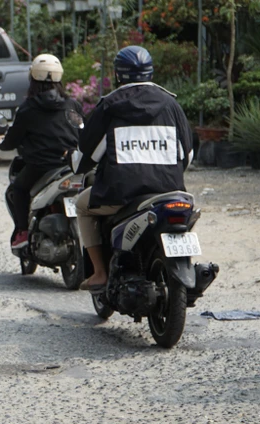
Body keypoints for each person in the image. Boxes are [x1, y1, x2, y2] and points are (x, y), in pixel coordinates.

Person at [72, 45, 193, 289]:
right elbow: (187, 156)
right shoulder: (171, 105)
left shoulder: (109, 106)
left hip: (120, 195)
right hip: (167, 191)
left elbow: (86, 158)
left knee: (81, 206)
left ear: (118, 74)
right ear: (150, 72)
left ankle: (99, 272)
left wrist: (76, 162)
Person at [0, 54, 83, 249]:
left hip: (40, 167)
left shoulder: (28, 109)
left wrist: (2, 143)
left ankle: (22, 232)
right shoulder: (72, 106)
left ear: (32, 77)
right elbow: (83, 131)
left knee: (17, 190)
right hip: (71, 165)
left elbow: (12, 140)